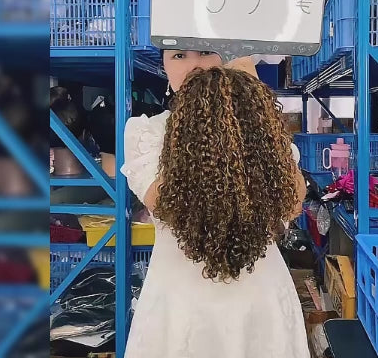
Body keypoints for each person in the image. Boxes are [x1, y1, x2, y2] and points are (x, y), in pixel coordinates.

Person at [121, 61, 309, 357]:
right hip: (181, 305)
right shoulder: (147, 131)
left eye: (207, 52)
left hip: (258, 300)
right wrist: (199, 137)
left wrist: (259, 117)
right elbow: (164, 206)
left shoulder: (259, 127)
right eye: (179, 55)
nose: (194, 65)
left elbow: (291, 201)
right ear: (164, 63)